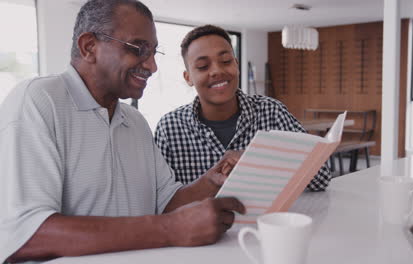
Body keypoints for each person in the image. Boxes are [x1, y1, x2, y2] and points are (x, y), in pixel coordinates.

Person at [0, 1, 245, 263]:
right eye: (139, 49)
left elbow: (166, 203)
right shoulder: (38, 102)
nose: (152, 66)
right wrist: (170, 228)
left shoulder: (135, 122)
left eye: (153, 53)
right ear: (89, 47)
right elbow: (28, 235)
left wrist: (212, 180)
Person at [155, 25, 331, 190]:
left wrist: (257, 159)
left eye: (225, 61)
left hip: (263, 222)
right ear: (188, 78)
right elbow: (160, 201)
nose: (217, 71)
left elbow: (321, 177)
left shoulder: (271, 112)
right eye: (203, 66)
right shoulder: (170, 128)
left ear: (236, 65)